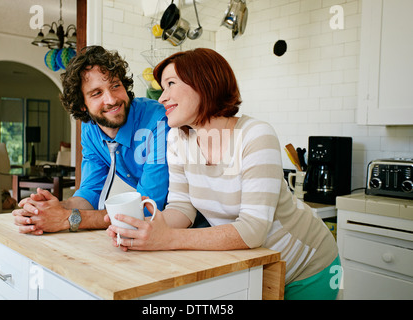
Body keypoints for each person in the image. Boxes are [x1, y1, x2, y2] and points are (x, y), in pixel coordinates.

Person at [106, 48, 341, 300]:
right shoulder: (179, 138)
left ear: (204, 84)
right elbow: (182, 207)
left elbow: (253, 230)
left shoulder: (255, 135)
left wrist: (168, 238)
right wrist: (148, 229)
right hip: (257, 266)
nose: (162, 98)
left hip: (307, 266)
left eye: (171, 84)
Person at [12, 45, 170, 235]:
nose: (111, 99)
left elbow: (146, 208)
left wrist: (67, 219)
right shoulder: (91, 129)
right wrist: (46, 210)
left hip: (184, 223)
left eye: (115, 86)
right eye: (96, 93)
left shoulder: (157, 121)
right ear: (82, 106)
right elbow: (89, 193)